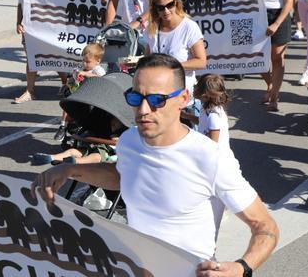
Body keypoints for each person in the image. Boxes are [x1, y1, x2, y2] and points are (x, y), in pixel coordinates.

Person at [31, 53, 279, 273]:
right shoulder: (129, 141)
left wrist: (241, 268)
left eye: (157, 100)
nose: (144, 109)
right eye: (135, 97)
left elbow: (265, 226)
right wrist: (70, 169)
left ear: (183, 98)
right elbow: (122, 174)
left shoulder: (210, 158)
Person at [144, 0, 206, 116]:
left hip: (183, 103)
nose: (166, 11)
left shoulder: (189, 27)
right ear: (154, 9)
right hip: (158, 101)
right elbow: (147, 58)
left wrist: (173, 66)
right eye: (160, 8)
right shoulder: (152, 29)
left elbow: (201, 61)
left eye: (169, 5)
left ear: (176, 3)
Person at [252, 0, 294, 111]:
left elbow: (289, 1)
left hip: (277, 15)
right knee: (256, 57)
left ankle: (274, 96)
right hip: (258, 16)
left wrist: (276, 23)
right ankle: (270, 84)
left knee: (276, 58)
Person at [14, 0, 58, 104]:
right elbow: (20, 4)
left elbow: (53, 3)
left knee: (53, 57)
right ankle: (29, 91)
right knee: (31, 59)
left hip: (45, 26)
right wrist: (18, 22)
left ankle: (67, 84)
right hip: (29, 27)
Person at [194, 74, 231, 150]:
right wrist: (185, 115)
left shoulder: (214, 116)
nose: (194, 88)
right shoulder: (206, 108)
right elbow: (202, 122)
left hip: (217, 159)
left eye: (197, 86)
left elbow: (212, 145)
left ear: (204, 95)